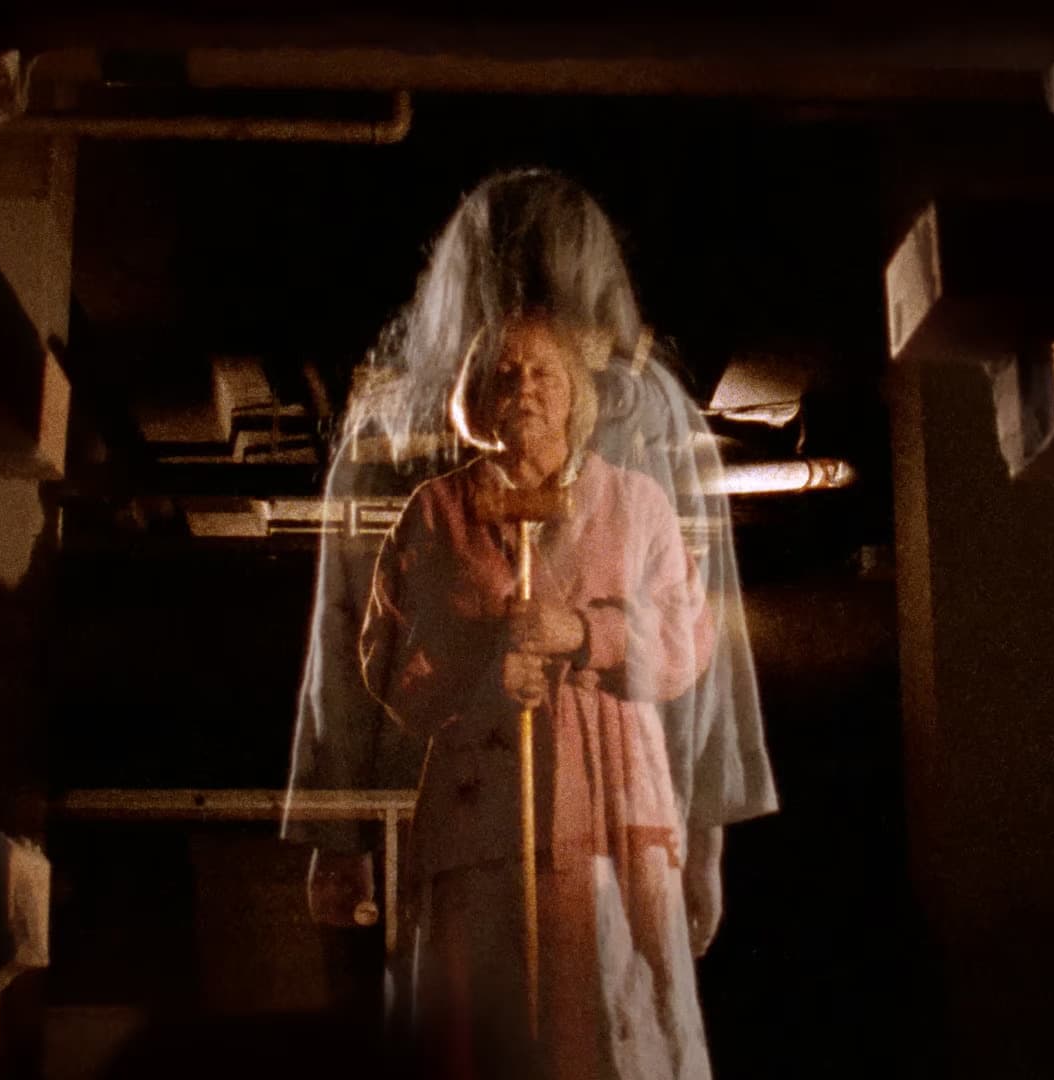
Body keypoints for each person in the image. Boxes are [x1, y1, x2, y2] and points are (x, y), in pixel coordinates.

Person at [284, 169, 777, 1079]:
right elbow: (359, 642)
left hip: (613, 815)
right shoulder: (407, 430)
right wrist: (336, 830)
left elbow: (694, 635)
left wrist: (701, 835)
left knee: (605, 1024)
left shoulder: (642, 421)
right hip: (472, 807)